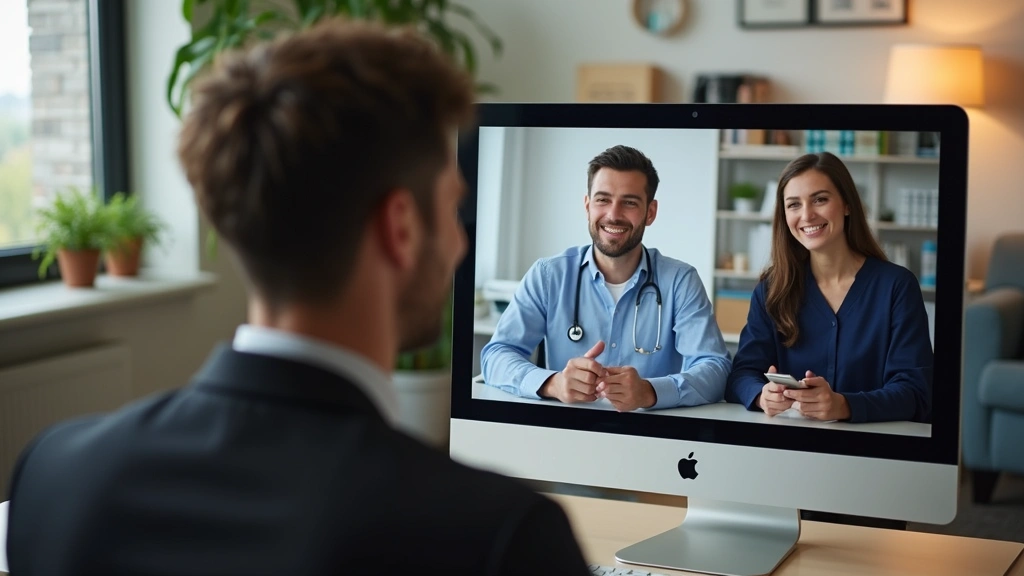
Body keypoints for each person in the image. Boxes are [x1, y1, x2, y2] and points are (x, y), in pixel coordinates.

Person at [5, 20, 589, 575]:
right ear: (402, 228)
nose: (460, 241)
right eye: (452, 208)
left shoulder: (55, 472)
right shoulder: (498, 537)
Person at [481, 145, 731, 412]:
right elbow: (496, 355)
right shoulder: (548, 276)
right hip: (563, 434)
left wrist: (650, 391)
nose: (613, 214)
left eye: (630, 202)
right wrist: (553, 383)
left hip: (651, 438)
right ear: (587, 205)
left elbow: (715, 370)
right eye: (603, 199)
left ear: (650, 212)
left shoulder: (680, 281)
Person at [725, 152, 933, 424]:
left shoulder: (896, 287)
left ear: (847, 204)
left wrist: (845, 405)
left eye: (820, 199)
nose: (807, 215)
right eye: (793, 205)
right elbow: (741, 375)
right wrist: (761, 395)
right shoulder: (771, 289)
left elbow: (917, 393)